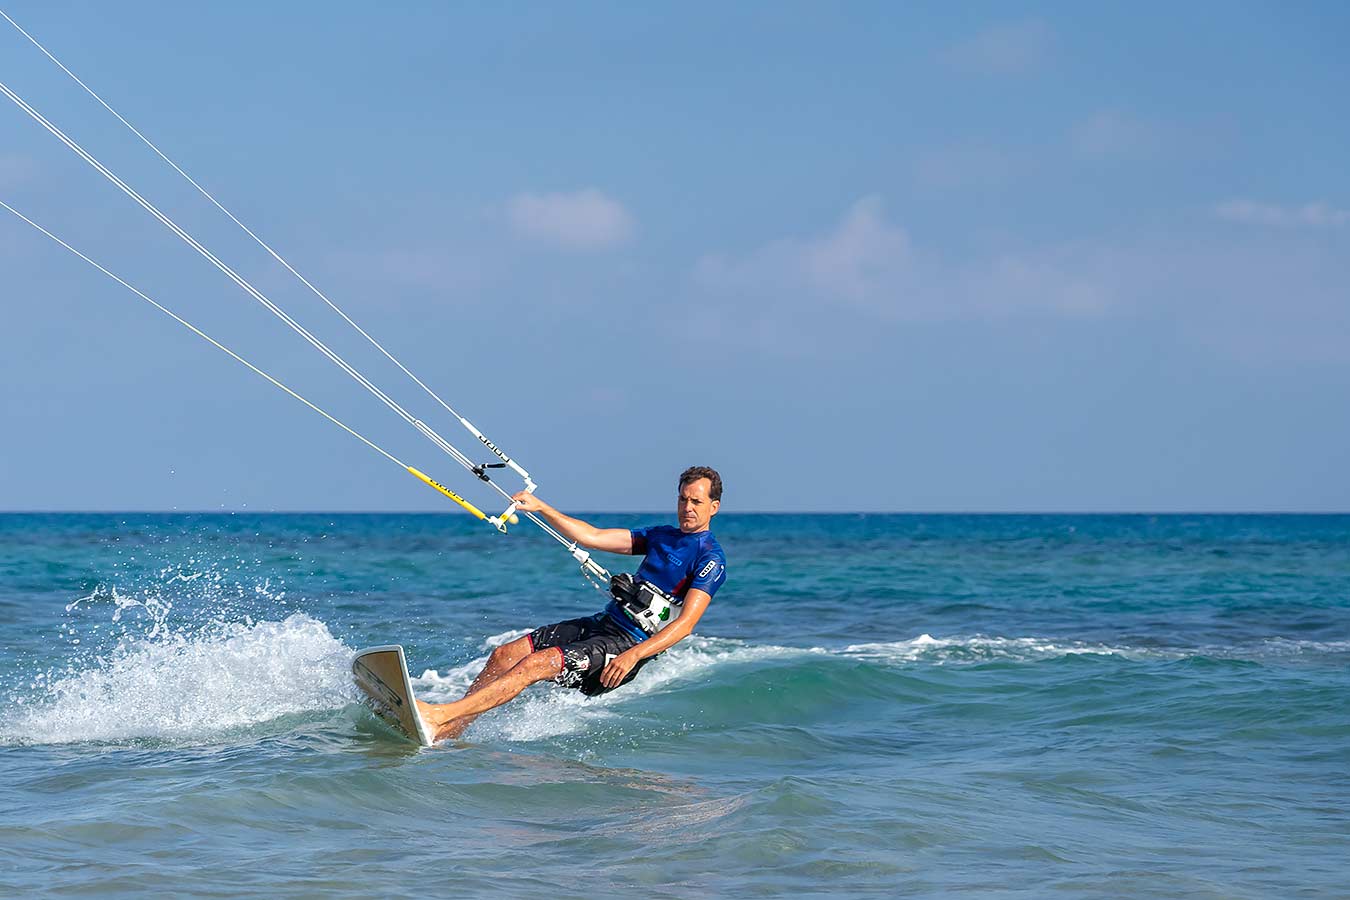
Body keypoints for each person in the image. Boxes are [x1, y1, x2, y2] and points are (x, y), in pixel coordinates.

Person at [416, 466, 728, 741]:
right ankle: (446, 733)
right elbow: (592, 536)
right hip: (602, 625)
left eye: (696, 502)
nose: (687, 507)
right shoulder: (663, 537)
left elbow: (685, 625)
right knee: (504, 655)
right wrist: (541, 508)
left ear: (713, 506)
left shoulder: (709, 558)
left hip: (623, 647)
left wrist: (633, 656)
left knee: (534, 665)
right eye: (683, 499)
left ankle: (440, 715)